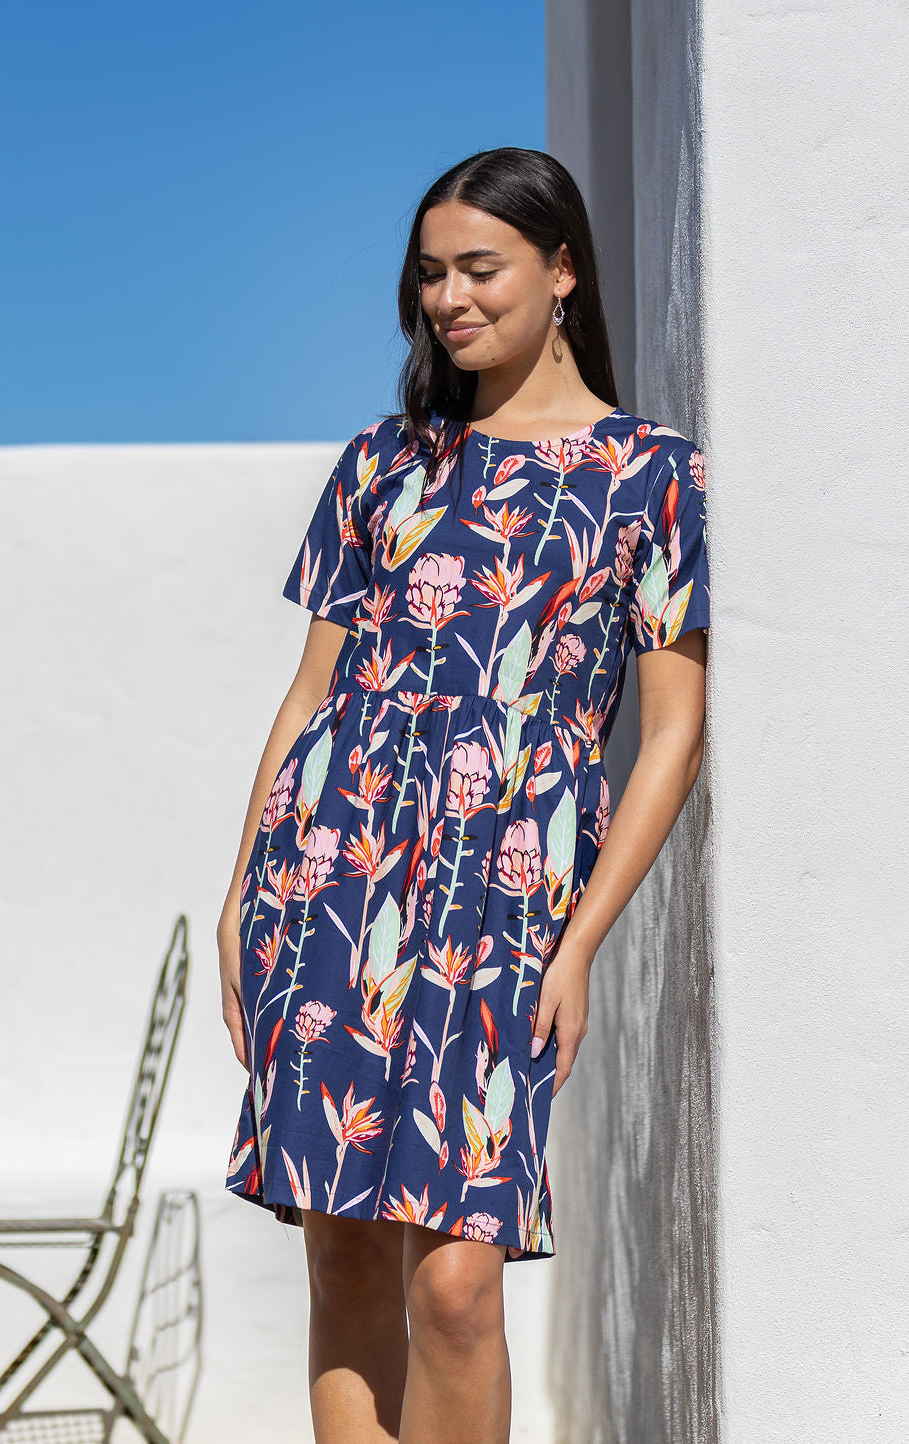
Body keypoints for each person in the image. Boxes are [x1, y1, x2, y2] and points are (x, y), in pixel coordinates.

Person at [218, 145, 710, 1444]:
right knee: (342, 1257)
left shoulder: (650, 477)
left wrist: (584, 939)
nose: (448, 297)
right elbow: (311, 700)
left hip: (505, 915)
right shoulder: (384, 465)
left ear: (559, 271)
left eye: (478, 268)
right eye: (429, 273)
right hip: (327, 894)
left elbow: (671, 736)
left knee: (453, 1284)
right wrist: (240, 898)